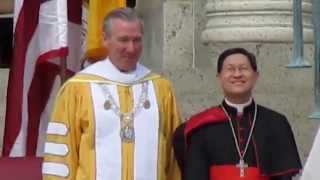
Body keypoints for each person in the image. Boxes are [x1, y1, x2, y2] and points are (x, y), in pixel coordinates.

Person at [42, 7, 181, 180]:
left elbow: (174, 157)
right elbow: (60, 159)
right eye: (123, 40)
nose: (131, 48)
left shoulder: (161, 89)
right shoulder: (78, 89)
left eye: (137, 40)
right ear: (105, 39)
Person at [175, 48, 302, 180]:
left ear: (256, 76)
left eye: (243, 68)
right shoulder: (200, 127)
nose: (237, 74)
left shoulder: (276, 123)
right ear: (219, 77)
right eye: (230, 69)